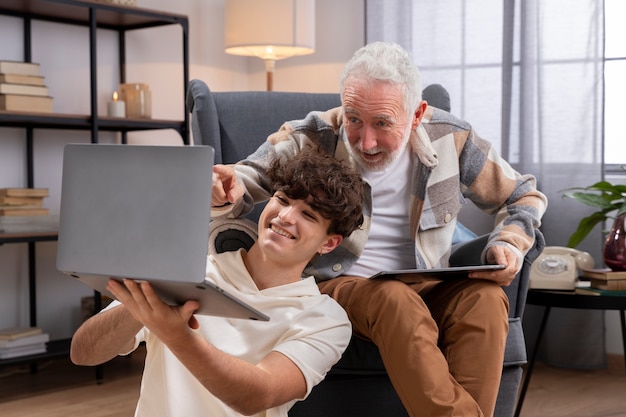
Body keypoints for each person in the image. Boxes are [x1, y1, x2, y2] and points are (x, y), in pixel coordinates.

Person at [211, 42, 548, 417]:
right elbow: (248, 176)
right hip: (338, 284)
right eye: (354, 119)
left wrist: (510, 242)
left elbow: (522, 194)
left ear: (417, 113)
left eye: (382, 124)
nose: (365, 141)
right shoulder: (314, 135)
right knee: (392, 299)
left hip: (427, 281)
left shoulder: (452, 139)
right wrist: (229, 187)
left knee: (485, 300)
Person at [70, 147, 365, 417]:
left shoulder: (325, 320)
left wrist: (176, 334)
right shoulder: (189, 272)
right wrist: (144, 301)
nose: (285, 216)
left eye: (308, 215)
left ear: (328, 244)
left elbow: (258, 395)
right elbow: (83, 353)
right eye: (282, 199)